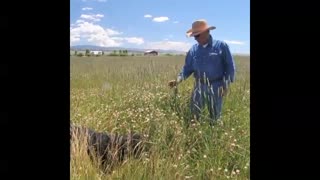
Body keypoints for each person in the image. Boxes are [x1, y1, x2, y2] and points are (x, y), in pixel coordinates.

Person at [168, 19, 236, 125]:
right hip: (199, 86)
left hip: (217, 85)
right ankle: (194, 135)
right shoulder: (193, 50)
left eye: (197, 35)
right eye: (194, 36)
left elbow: (230, 67)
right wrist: (178, 79)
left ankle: (215, 137)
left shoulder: (221, 46)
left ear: (207, 32)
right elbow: (187, 68)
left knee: (215, 116)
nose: (195, 39)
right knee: (194, 114)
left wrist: (225, 85)